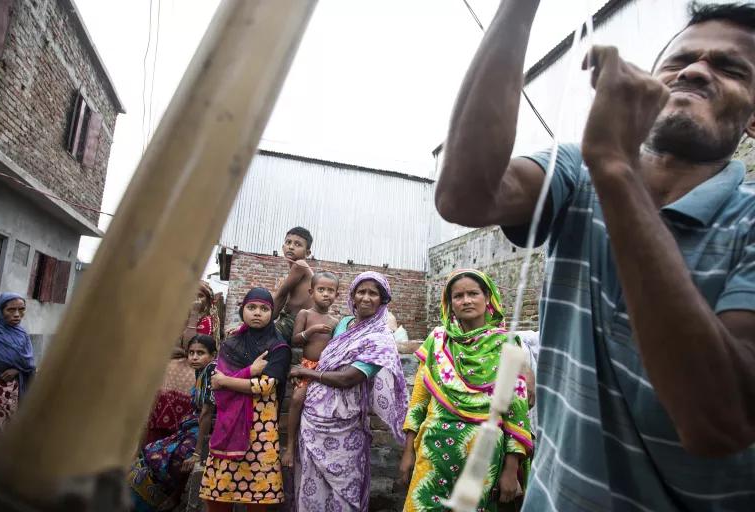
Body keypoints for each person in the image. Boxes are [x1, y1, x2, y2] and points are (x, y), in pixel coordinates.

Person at [435, 1, 755, 509]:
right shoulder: (574, 174)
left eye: (731, 67)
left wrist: (615, 169)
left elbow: (718, 421)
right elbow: (463, 196)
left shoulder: (747, 224)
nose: (695, 70)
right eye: (679, 61)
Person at [398, 270, 532, 510]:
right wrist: (408, 452)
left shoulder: (507, 344)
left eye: (473, 293)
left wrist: (511, 470)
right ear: (449, 304)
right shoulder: (437, 341)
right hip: (432, 452)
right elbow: (419, 400)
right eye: (458, 296)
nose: (466, 300)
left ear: (487, 297)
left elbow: (516, 409)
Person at [290, 271, 409, 511]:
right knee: (311, 481)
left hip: (346, 422)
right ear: (352, 297)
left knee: (346, 488)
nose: (366, 298)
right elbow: (322, 355)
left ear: (382, 300)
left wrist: (308, 374)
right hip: (313, 417)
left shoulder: (380, 339)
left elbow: (348, 378)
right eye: (361, 292)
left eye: (373, 293)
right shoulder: (343, 324)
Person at [199, 287, 291, 511]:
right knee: (219, 492)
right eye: (251, 307)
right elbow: (215, 383)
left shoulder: (278, 347)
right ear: (243, 311)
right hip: (229, 424)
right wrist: (251, 370)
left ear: (272, 313)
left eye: (264, 308)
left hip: (261, 428)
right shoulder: (231, 345)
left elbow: (266, 386)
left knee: (259, 494)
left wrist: (227, 382)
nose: (257, 313)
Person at [128, 335, 217, 511]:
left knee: (170, 457)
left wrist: (197, 453)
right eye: (191, 352)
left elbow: (206, 414)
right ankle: (147, 499)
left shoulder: (211, 373)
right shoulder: (200, 372)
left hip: (209, 427)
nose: (194, 357)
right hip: (193, 424)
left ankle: (164, 498)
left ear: (213, 355)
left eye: (200, 353)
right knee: (152, 450)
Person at [146, 282, 216, 445]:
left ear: (208, 301)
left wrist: (194, 314)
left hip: (188, 379)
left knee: (179, 426)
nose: (196, 300)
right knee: (156, 426)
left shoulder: (206, 321)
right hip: (166, 380)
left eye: (201, 296)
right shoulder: (175, 320)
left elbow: (189, 346)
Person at [282, 270, 340, 468]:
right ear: (311, 291)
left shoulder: (335, 322)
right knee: (297, 399)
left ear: (337, 295)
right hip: (307, 365)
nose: (326, 294)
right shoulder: (305, 314)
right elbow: (294, 339)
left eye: (330, 291)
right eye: (321, 289)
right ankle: (289, 446)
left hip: (326, 370)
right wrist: (312, 330)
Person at [0, 292, 35, 445]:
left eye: (21, 309)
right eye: (11, 310)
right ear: (0, 311)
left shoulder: (22, 336)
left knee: (1, 436)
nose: (17, 314)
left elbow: (29, 364)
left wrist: (17, 370)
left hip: (8, 396)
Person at [272, 227, 315, 341]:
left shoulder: (300, 265)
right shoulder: (293, 271)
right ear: (283, 247)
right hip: (291, 320)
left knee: (264, 338)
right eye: (288, 242)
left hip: (295, 321)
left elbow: (280, 296)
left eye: (297, 244)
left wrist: (267, 321)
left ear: (307, 253)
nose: (291, 247)